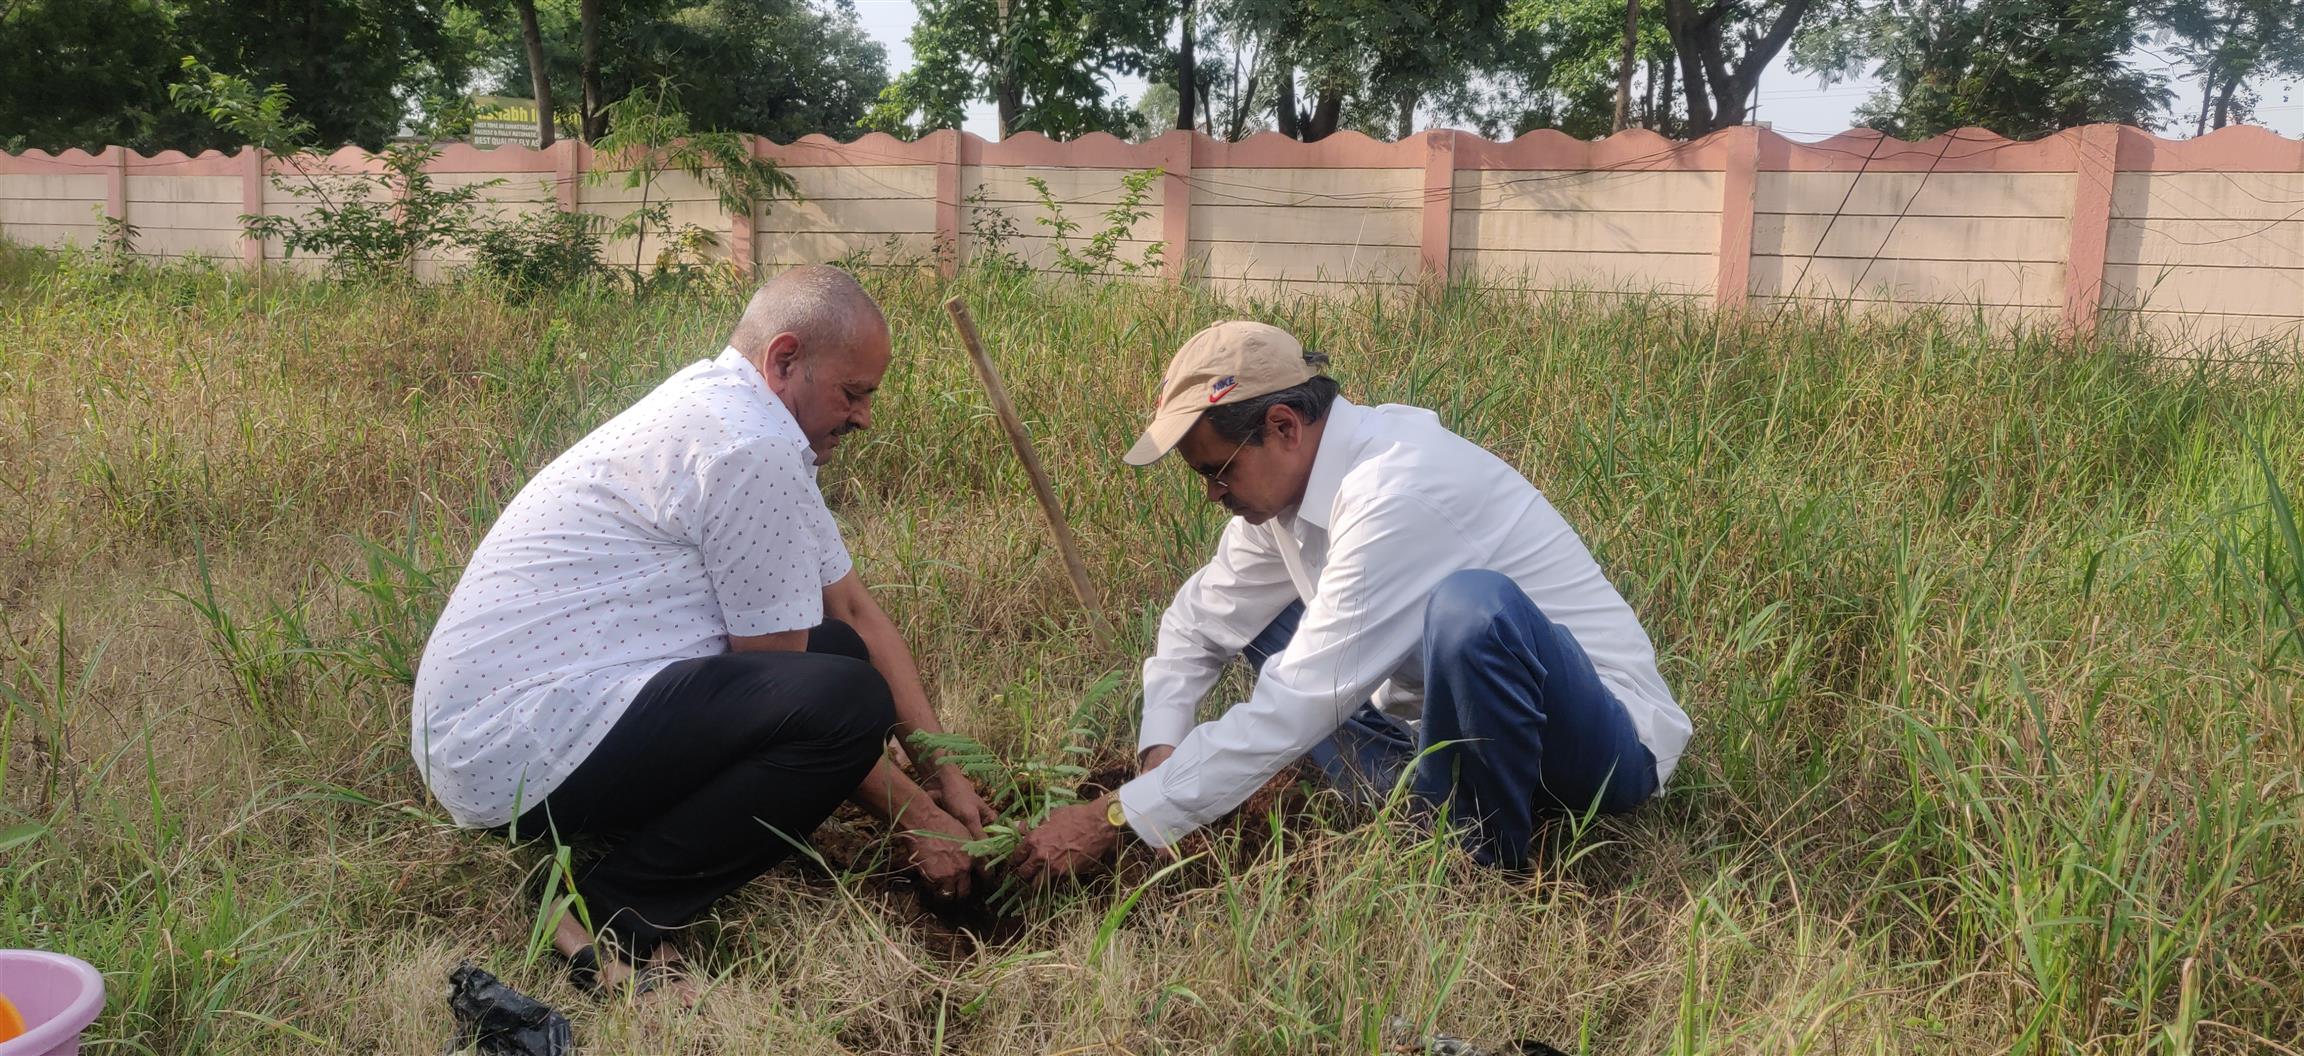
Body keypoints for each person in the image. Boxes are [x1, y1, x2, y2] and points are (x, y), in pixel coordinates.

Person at [412, 266, 993, 998]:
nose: (866, 417)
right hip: (512, 753)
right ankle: (606, 910)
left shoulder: (740, 412)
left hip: (505, 727)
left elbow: (852, 614)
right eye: (855, 392)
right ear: (784, 361)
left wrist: (946, 774)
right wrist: (917, 818)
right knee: (844, 702)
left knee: (840, 659)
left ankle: (629, 853)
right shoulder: (749, 446)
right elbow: (796, 697)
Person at [1011, 321, 1692, 880]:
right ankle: (1428, 802)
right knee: (1266, 616)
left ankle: (1487, 862)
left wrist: (1119, 815)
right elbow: (1198, 624)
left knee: (1472, 612)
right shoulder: (1288, 497)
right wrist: (1161, 753)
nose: (1212, 495)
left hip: (1594, 749)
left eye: (1217, 471)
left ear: (1283, 426)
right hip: (1438, 725)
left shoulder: (1397, 488)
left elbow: (1301, 698)